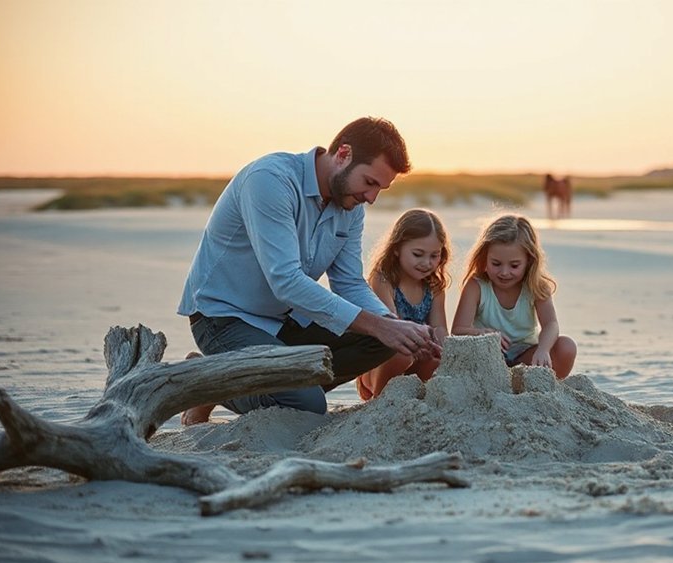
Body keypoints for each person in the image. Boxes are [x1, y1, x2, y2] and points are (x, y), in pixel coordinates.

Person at [177, 117, 440, 425]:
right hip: (224, 317)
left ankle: (284, 383)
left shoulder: (350, 207)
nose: (371, 198)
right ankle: (208, 383)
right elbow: (285, 282)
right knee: (307, 406)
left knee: (383, 339)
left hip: (287, 319)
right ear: (343, 155)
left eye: (380, 188)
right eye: (369, 182)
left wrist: (396, 326)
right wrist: (380, 325)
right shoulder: (270, 181)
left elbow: (350, 283)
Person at [451, 214, 576, 378]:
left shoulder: (536, 285)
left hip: (525, 354)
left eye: (514, 265)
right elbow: (457, 331)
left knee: (566, 347)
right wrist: (483, 334)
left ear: (529, 261)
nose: (504, 272)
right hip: (487, 355)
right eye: (496, 264)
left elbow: (551, 324)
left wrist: (543, 350)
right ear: (484, 259)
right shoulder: (477, 285)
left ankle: (531, 385)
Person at [355, 208, 452, 400]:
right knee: (401, 354)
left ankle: (417, 400)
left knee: (440, 361)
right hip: (380, 363)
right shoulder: (384, 279)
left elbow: (439, 327)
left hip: (419, 357)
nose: (426, 263)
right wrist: (416, 345)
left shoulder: (434, 286)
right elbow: (391, 327)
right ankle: (379, 402)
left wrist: (442, 349)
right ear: (397, 249)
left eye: (434, 256)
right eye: (418, 254)